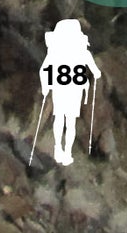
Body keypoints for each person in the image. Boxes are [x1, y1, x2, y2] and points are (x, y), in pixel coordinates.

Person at [39, 18, 100, 164]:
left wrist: (45, 86)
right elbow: (96, 72)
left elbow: (44, 69)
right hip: (74, 90)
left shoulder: (57, 51)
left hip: (60, 88)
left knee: (59, 118)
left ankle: (58, 148)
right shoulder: (83, 52)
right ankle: (66, 152)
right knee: (70, 121)